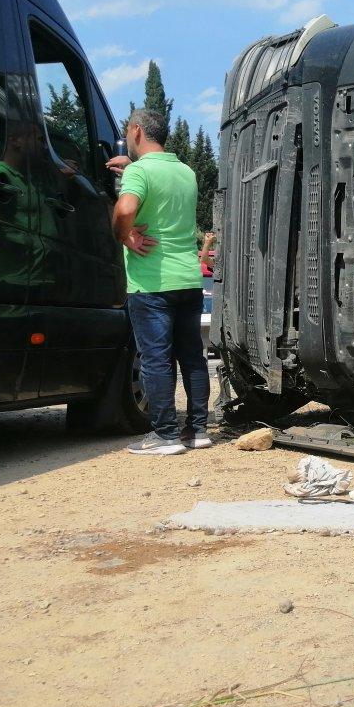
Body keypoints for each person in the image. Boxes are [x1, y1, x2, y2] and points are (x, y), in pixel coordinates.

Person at [111, 109, 211, 455]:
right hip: (187, 278)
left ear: (137, 131)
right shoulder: (185, 171)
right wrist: (132, 170)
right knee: (192, 357)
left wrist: (125, 237)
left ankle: (165, 434)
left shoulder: (139, 171)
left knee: (155, 358)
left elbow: (125, 210)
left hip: (152, 281)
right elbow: (161, 193)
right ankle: (197, 430)